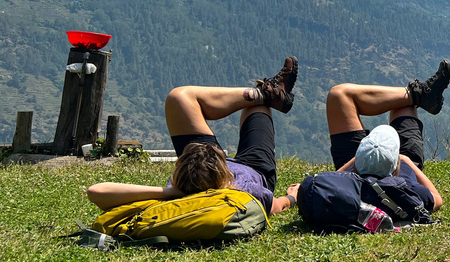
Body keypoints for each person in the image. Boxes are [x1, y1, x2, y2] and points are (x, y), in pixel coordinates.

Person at [87, 57, 301, 216]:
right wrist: (293, 197)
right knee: (259, 108)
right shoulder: (245, 189)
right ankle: (268, 95)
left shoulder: (183, 185)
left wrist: (172, 192)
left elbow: (97, 192)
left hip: (199, 168)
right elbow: (275, 206)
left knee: (179, 98)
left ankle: (268, 92)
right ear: (227, 178)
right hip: (255, 168)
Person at [323, 60, 450, 214]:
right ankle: (419, 95)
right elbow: (436, 199)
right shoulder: (408, 191)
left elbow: (323, 183)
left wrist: (358, 158)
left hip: (353, 175)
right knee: (401, 102)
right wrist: (405, 160)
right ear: (395, 167)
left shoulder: (346, 191)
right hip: (403, 167)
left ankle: (419, 95)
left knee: (339, 95)